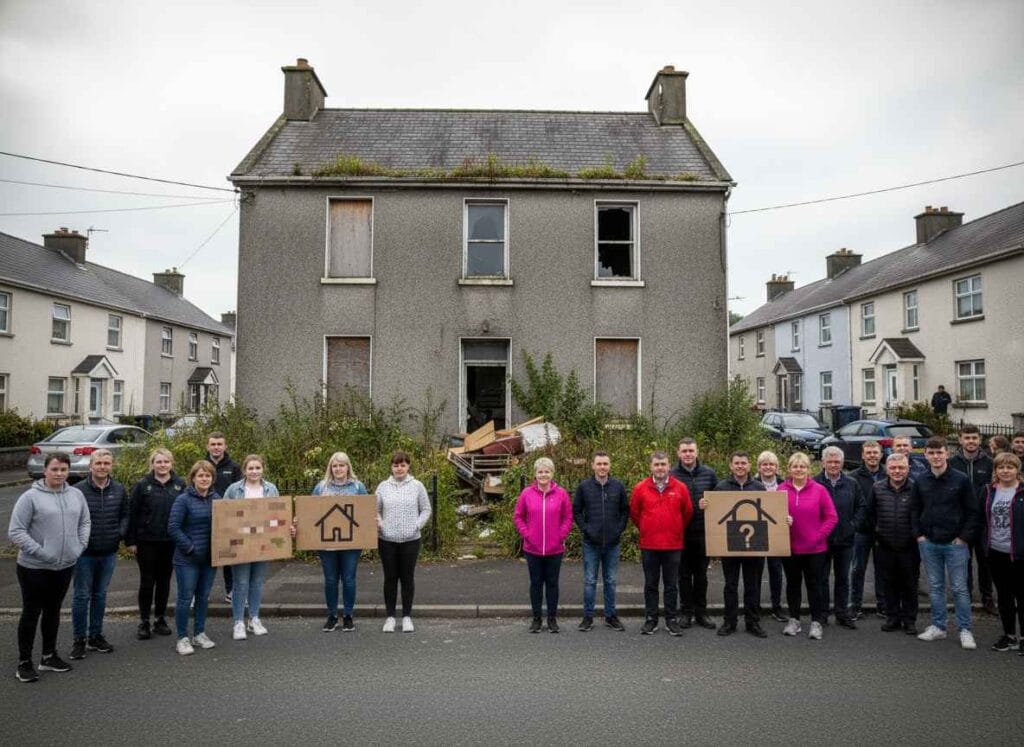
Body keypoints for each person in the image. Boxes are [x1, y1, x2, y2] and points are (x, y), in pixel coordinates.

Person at [8, 453, 90, 683]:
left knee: (53, 611)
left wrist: (79, 546)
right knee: (31, 613)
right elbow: (16, 531)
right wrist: (42, 552)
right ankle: (24, 662)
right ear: (45, 471)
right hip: (34, 567)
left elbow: (85, 521)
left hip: (65, 565)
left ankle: (49, 655)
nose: (59, 474)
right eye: (55, 469)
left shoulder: (76, 495)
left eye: (64, 469)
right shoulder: (30, 497)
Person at [912, 437, 980, 649]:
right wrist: (919, 535)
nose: (936, 457)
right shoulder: (921, 480)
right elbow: (914, 510)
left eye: (939, 452)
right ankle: (938, 627)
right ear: (926, 455)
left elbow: (972, 511)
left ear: (947, 454)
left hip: (955, 544)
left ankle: (965, 629)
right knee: (936, 587)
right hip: (929, 543)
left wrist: (963, 538)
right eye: (931, 453)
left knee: (960, 588)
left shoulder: (960, 480)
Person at [70, 449, 128, 660]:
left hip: (108, 551)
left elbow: (125, 515)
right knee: (81, 596)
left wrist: (118, 534)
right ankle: (79, 640)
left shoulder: (119, 489)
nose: (102, 467)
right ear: (90, 466)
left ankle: (95, 636)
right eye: (98, 463)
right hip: (84, 553)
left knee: (100, 595)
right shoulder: (77, 490)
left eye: (106, 463)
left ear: (111, 466)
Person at [630, 451, 693, 636]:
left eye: (663, 464)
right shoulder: (640, 488)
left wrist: (675, 529)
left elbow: (687, 513)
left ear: (668, 466)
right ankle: (651, 619)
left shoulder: (680, 487)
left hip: (673, 545)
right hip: (649, 545)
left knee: (671, 584)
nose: (660, 468)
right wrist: (646, 528)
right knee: (651, 584)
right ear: (651, 467)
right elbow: (635, 513)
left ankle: (671, 620)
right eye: (656, 465)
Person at [306, 452, 369, 633]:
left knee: (349, 580)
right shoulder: (321, 487)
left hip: (351, 542)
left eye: (342, 465)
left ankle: (348, 615)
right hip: (327, 543)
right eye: (335, 466)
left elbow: (366, 512)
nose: (338, 469)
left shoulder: (358, 487)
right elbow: (310, 511)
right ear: (330, 468)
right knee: (330, 580)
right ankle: (332, 615)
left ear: (348, 467)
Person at [126, 448, 185, 640]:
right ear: (152, 464)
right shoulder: (143, 485)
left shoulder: (179, 484)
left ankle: (160, 618)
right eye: (159, 462)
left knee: (164, 582)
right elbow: (132, 514)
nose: (162, 465)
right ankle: (144, 621)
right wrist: (131, 541)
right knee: (147, 581)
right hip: (146, 542)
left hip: (170, 542)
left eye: (166, 462)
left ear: (171, 463)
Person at [707, 452, 767, 638]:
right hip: (730, 545)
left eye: (743, 463)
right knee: (730, 585)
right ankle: (729, 622)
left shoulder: (759, 487)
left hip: (754, 545)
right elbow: (715, 516)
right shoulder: (721, 487)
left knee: (752, 586)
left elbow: (766, 514)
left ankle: (752, 622)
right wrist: (705, 505)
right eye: (737, 463)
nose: (740, 466)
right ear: (731, 466)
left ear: (749, 466)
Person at [780, 452, 837, 641]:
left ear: (808, 469)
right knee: (793, 585)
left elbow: (831, 517)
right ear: (789, 469)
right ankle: (794, 620)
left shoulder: (819, 490)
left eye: (802, 466)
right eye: (795, 466)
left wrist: (818, 537)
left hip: (815, 549)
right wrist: (782, 521)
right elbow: (771, 518)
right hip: (790, 548)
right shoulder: (780, 490)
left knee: (815, 586)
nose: (798, 470)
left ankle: (816, 622)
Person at [222, 454, 280, 640]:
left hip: (263, 542)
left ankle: (254, 618)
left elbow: (278, 514)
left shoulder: (271, 488)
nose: (254, 471)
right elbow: (223, 514)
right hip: (240, 542)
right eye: (251, 468)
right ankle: (238, 622)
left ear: (262, 469)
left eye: (257, 468)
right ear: (244, 470)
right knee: (240, 583)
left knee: (256, 583)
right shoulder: (234, 489)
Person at [861, 453, 919, 634]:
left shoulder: (916, 488)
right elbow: (869, 514)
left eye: (901, 467)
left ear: (908, 468)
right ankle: (892, 617)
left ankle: (909, 620)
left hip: (910, 546)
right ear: (887, 469)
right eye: (893, 468)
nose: (897, 471)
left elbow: (921, 513)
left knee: (909, 585)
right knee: (889, 584)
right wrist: (876, 533)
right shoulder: (877, 488)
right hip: (884, 545)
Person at [572, 451, 629, 632]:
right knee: (589, 581)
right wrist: (586, 529)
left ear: (609, 466)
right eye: (599, 464)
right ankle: (588, 617)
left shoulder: (618, 486)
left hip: (612, 543)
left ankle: (610, 616)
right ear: (593, 466)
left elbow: (625, 511)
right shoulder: (584, 487)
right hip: (591, 543)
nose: (602, 467)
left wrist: (618, 529)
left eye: (605, 464)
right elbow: (576, 511)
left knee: (610, 581)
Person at [376, 451, 432, 633]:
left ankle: (407, 616)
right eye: (395, 465)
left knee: (407, 578)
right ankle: (390, 617)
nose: (399, 468)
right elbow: (375, 510)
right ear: (391, 467)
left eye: (402, 465)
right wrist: (381, 524)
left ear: (408, 466)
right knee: (390, 578)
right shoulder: (383, 487)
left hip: (410, 540)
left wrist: (417, 525)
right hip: (387, 540)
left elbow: (426, 509)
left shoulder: (417, 486)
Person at [516, 457, 573, 633]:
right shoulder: (526, 493)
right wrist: (527, 534)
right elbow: (518, 516)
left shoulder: (561, 493)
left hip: (554, 549)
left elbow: (568, 517)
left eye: (547, 471)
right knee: (536, 583)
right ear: (535, 474)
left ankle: (552, 619)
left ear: (552, 473)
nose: (543, 475)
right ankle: (536, 619)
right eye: (540, 471)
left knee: (552, 584)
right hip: (532, 549)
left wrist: (560, 535)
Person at [168, 460, 219, 655]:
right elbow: (173, 528)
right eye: (201, 475)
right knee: (185, 598)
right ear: (193, 478)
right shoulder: (183, 500)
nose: (204, 479)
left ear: (212, 478)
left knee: (203, 598)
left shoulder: (218, 499)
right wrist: (189, 547)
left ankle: (199, 633)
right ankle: (182, 638)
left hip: (209, 559)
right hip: (187, 559)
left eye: (208, 475)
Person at [814, 446, 865, 629]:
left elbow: (861, 507)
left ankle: (842, 613)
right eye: (830, 461)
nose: (833, 465)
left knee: (843, 578)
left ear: (842, 463)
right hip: (822, 540)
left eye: (837, 462)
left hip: (846, 539)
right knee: (822, 578)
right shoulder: (815, 483)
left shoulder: (852, 483)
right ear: (823, 463)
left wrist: (853, 526)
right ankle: (822, 614)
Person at [670, 438, 718, 630]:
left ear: (697, 452)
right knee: (683, 575)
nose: (688, 454)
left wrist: (710, 504)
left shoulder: (709, 474)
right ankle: (686, 612)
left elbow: (720, 501)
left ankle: (701, 612)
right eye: (684, 451)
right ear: (678, 453)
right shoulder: (671, 475)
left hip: (703, 533)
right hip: (680, 534)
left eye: (691, 450)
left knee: (701, 576)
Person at [949, 424, 995, 615]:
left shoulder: (990, 463)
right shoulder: (952, 462)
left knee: (985, 562)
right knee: (963, 561)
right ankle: (964, 597)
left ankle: (987, 597)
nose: (971, 441)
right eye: (967, 438)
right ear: (960, 440)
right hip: (961, 521)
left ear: (980, 440)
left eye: (974, 438)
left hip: (984, 520)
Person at [981, 452, 1024, 653]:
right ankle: (1009, 635)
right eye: (1001, 467)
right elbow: (980, 519)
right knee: (1004, 597)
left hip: (1020, 553)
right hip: (996, 552)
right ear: (996, 471)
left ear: (1017, 470)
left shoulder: (1022, 491)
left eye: (1010, 467)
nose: (1005, 471)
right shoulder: (989, 491)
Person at [849, 441, 885, 620]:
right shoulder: (853, 476)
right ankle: (855, 605)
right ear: (863, 456)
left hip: (884, 530)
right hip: (861, 531)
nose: (872, 456)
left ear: (881, 454)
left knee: (882, 569)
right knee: (857, 569)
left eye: (875, 452)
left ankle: (883, 605)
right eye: (868, 453)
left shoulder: (889, 473)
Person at [205, 432, 242, 603]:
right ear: (208, 446)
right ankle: (201, 593)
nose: (216, 447)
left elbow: (239, 491)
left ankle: (231, 591)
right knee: (205, 556)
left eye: (219, 444)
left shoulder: (234, 467)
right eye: (213, 444)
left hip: (228, 519)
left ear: (225, 446)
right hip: (205, 517)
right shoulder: (202, 466)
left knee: (228, 557)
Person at [756, 450, 787, 623]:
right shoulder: (752, 483)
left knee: (776, 571)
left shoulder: (785, 484)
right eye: (764, 464)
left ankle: (777, 606)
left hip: (777, 532)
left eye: (771, 464)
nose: (768, 467)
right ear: (759, 467)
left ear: (776, 467)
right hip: (757, 531)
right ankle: (755, 606)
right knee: (756, 571)